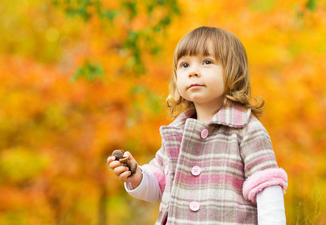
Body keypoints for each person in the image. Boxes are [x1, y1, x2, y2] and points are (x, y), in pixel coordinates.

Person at [107, 26, 288, 224]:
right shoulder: (176, 134)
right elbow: (159, 186)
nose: (193, 72)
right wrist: (136, 176)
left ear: (233, 71)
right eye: (184, 65)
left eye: (207, 62)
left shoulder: (247, 131)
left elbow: (268, 192)